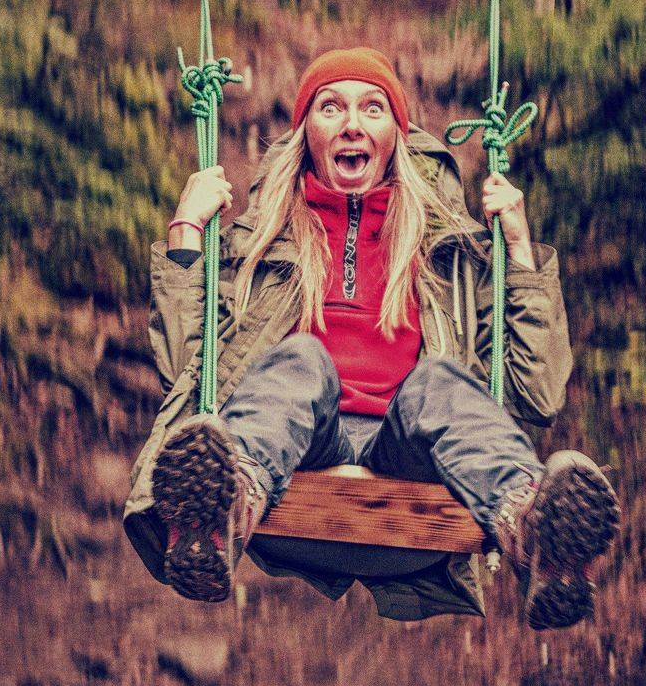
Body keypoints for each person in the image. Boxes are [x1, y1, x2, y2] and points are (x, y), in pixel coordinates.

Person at [123, 47, 619, 629]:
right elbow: (185, 370)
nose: (353, 124)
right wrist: (187, 231)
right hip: (291, 460)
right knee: (301, 361)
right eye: (331, 107)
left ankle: (535, 536)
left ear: (397, 137)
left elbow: (537, 394)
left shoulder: (453, 254)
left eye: (373, 108)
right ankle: (220, 515)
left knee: (437, 382)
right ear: (306, 134)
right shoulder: (257, 243)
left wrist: (519, 250)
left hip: (413, 465)